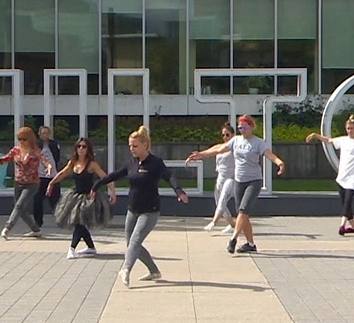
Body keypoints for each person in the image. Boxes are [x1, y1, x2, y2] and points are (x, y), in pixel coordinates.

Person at [92, 126, 188, 287]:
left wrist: (179, 191)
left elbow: (169, 176)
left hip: (150, 211)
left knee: (135, 240)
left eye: (135, 146)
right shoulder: (131, 163)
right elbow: (116, 174)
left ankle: (126, 269)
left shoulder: (155, 163)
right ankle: (154, 271)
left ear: (145, 145)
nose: (132, 149)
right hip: (133, 209)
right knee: (131, 243)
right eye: (130, 146)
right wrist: (97, 185)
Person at [187, 115, 285, 254]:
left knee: (243, 210)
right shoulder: (236, 140)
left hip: (254, 181)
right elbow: (219, 149)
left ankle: (233, 239)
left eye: (245, 127)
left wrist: (279, 163)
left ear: (252, 127)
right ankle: (250, 244)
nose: (242, 130)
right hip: (239, 181)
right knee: (242, 213)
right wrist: (201, 154)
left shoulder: (258, 143)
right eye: (240, 128)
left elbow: (269, 154)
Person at [306, 115, 354, 236]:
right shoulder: (344, 140)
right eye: (348, 128)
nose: (349, 131)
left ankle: (342, 225)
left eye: (351, 128)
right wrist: (315, 135)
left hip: (353, 177)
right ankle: (353, 227)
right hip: (342, 176)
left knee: (348, 201)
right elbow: (330, 141)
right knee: (345, 203)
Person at [47, 137, 116, 260]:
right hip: (75, 196)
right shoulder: (73, 162)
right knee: (80, 223)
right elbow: (63, 173)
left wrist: (113, 192)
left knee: (79, 222)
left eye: (84, 146)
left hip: (89, 197)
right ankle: (91, 247)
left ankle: (71, 248)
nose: (81, 149)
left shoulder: (92, 164)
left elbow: (105, 177)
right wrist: (51, 183)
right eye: (79, 146)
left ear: (88, 149)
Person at [0, 126, 52, 240]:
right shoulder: (16, 151)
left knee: (19, 205)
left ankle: (7, 228)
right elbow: (3, 160)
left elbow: (45, 161)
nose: (22, 142)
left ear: (30, 139)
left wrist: (49, 168)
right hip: (18, 182)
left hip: (32, 183)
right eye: (20, 139)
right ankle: (36, 230)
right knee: (21, 210)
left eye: (24, 139)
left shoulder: (36, 152)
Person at [199, 122, 236, 234]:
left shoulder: (235, 146)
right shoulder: (220, 146)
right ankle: (232, 224)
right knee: (218, 200)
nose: (225, 137)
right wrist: (197, 155)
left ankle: (214, 222)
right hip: (221, 176)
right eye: (223, 135)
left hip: (231, 177)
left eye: (227, 135)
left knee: (222, 200)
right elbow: (210, 151)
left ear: (233, 135)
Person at [34, 125, 62, 228]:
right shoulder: (36, 145)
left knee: (55, 199)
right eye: (43, 133)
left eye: (46, 133)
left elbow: (57, 157)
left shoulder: (54, 144)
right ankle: (38, 221)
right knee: (37, 199)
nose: (45, 135)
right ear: (39, 134)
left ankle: (60, 219)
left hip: (53, 176)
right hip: (40, 176)